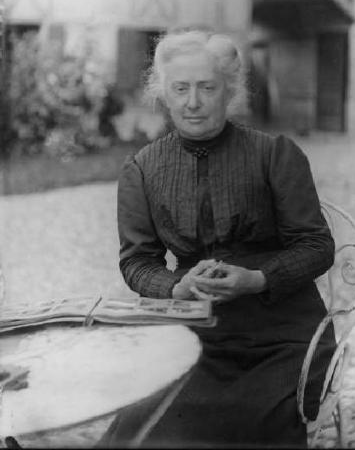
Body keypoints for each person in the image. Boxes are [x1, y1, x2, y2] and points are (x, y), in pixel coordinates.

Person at [99, 30, 336, 448]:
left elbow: (317, 247)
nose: (193, 102)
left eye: (207, 88)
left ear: (229, 92)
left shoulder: (275, 154)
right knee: (144, 422)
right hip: (194, 333)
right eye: (181, 89)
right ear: (164, 94)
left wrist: (257, 279)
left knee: (248, 421)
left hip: (281, 334)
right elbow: (137, 263)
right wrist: (178, 285)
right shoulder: (142, 169)